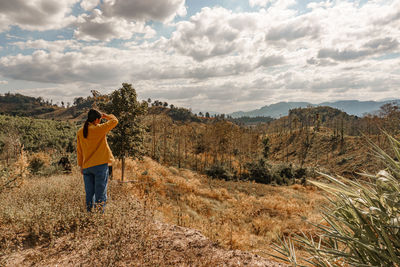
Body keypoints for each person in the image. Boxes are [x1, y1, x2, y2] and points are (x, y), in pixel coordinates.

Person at [77, 109, 118, 212]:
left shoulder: (80, 131)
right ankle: (99, 217)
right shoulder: (99, 129)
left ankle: (89, 215)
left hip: (86, 167)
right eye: (99, 120)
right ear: (96, 120)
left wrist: (81, 166)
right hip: (100, 166)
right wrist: (106, 115)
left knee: (89, 194)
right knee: (100, 194)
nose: (100, 121)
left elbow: (79, 150)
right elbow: (115, 121)